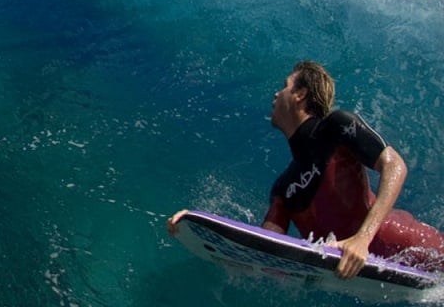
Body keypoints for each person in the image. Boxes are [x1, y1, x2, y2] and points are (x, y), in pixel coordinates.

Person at [167, 60, 444, 278]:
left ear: (300, 95)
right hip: (363, 261)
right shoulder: (283, 190)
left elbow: (395, 165)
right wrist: (200, 232)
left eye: (285, 86)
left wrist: (362, 239)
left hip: (407, 241)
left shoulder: (337, 126)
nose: (277, 93)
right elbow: (262, 252)